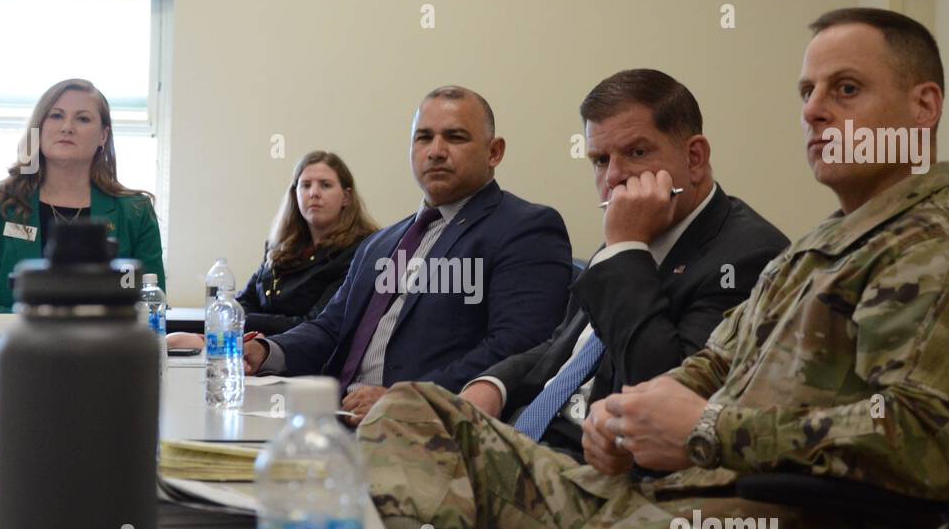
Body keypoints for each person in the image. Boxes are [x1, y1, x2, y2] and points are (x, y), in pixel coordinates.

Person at [357, 8, 949, 529]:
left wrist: (709, 429)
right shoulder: (815, 249)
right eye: (807, 91)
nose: (813, 110)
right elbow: (712, 362)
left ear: (923, 106)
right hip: (645, 502)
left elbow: (935, 443)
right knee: (415, 408)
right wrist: (627, 415)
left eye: (845, 89)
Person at [459, 69, 788, 460]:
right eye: (600, 160)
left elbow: (662, 397)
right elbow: (564, 345)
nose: (613, 177)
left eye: (636, 152)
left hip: (593, 469)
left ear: (694, 158)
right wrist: (494, 384)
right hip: (522, 438)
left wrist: (626, 249)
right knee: (404, 413)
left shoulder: (749, 255)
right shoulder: (629, 235)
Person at [245, 86, 573, 425]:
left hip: (421, 430)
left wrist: (405, 398)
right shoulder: (382, 242)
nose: (436, 152)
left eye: (455, 137)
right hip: (333, 415)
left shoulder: (525, 228)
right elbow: (331, 328)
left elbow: (517, 347)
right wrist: (266, 351)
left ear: (494, 152)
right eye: (424, 138)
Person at [0, 78, 164, 313]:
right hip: (17, 346)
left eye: (82, 118)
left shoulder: (135, 212)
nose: (67, 127)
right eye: (56, 116)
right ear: (38, 129)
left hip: (106, 346)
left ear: (103, 135)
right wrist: (39, 326)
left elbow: (151, 305)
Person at [168, 151, 379, 344]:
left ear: (346, 197)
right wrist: (248, 325)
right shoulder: (281, 247)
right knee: (175, 341)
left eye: (325, 185)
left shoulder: (361, 250)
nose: (314, 193)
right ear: (295, 194)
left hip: (309, 360)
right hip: (255, 351)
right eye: (305, 185)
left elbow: (316, 323)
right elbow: (245, 300)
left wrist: (249, 323)